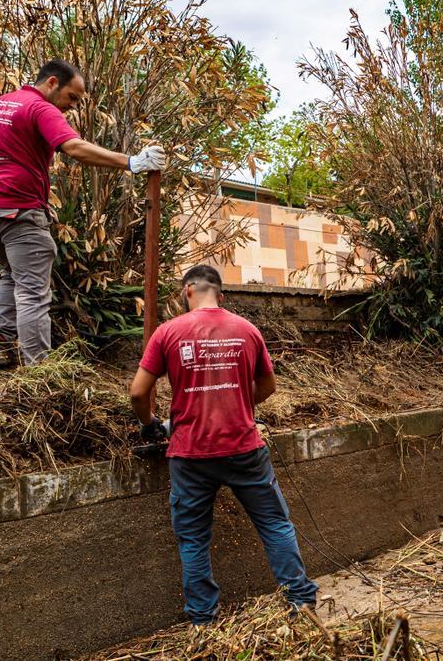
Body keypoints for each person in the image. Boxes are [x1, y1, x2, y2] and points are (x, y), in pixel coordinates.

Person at [129, 265, 318, 624]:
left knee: (194, 540)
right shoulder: (246, 330)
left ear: (187, 292)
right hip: (245, 449)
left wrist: (150, 424)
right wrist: (239, 404)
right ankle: (302, 604)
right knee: (276, 525)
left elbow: (139, 392)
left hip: (190, 454)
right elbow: (268, 386)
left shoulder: (168, 332)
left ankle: (203, 621)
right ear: (221, 294)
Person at [0, 59, 167, 368]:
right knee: (33, 290)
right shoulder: (40, 107)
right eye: (72, 97)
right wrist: (132, 162)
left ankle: (0, 344)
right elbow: (73, 147)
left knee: (12, 273)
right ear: (53, 83)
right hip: (17, 208)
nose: (72, 106)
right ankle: (40, 371)